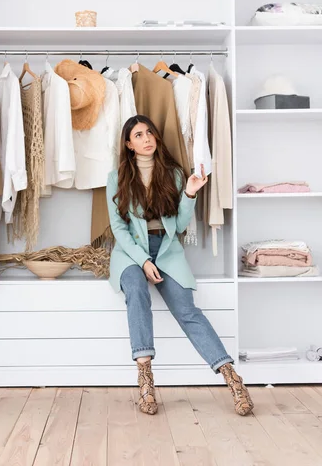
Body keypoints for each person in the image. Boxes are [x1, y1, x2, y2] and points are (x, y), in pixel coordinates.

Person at [106, 115, 254, 416]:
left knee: (187, 311)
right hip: (131, 252)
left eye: (150, 132)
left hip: (167, 250)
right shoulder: (116, 178)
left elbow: (182, 224)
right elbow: (119, 229)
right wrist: (143, 260)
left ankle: (233, 379)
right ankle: (146, 382)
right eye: (138, 135)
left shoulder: (173, 174)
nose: (146, 139)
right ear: (128, 144)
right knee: (135, 288)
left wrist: (189, 193)